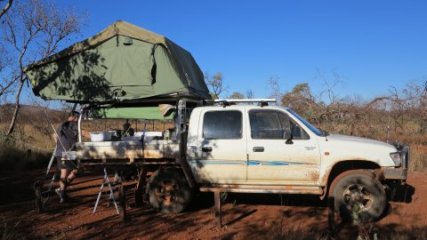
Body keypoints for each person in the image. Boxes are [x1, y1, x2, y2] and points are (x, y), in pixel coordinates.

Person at [54, 110, 80, 203]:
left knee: (68, 173)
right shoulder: (72, 125)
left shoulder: (61, 125)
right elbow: (82, 133)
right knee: (71, 172)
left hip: (63, 151)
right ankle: (62, 193)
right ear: (73, 117)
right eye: (77, 117)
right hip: (67, 152)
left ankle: (61, 192)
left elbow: (55, 136)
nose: (77, 119)